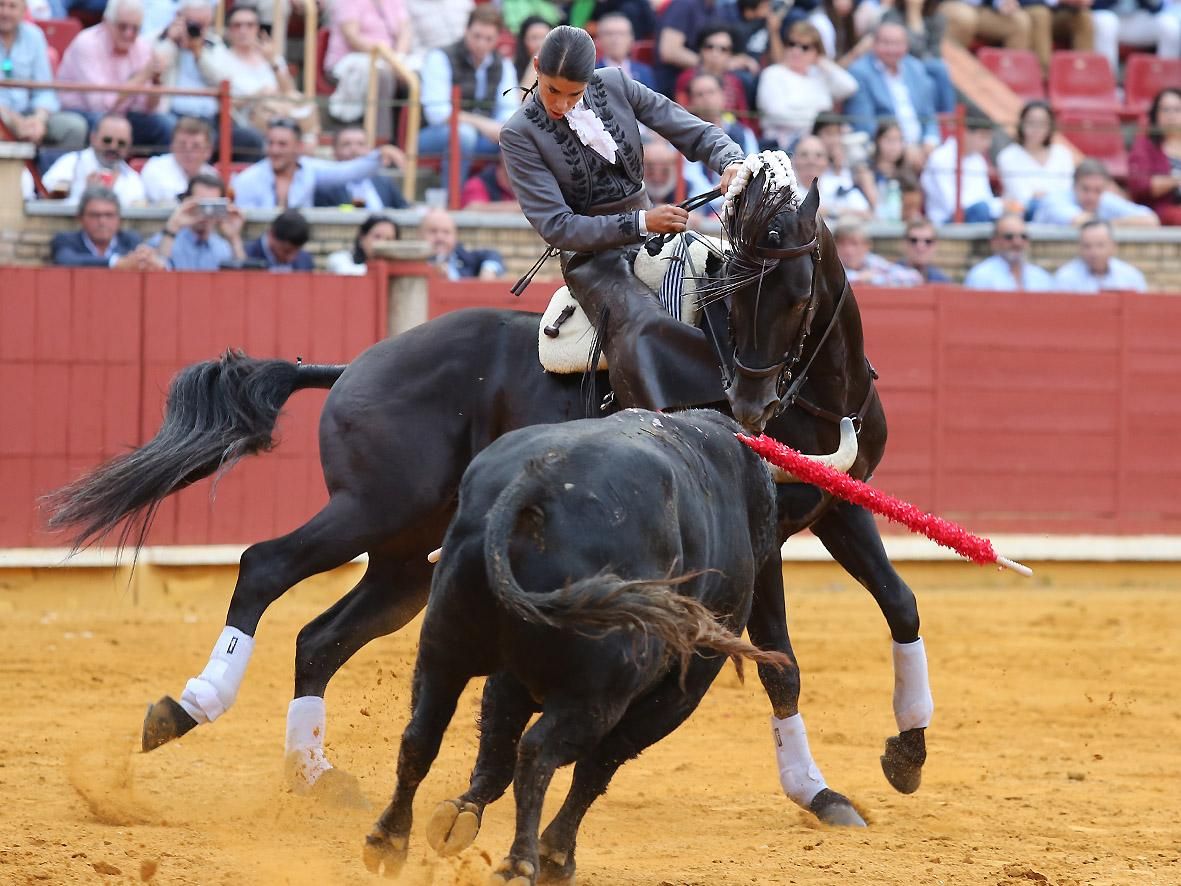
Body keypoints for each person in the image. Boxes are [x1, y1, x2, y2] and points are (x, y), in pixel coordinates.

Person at [499, 26, 747, 411]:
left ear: (592, 76)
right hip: (592, 258)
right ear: (535, 67)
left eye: (573, 93)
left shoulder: (615, 84)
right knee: (645, 329)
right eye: (552, 90)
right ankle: (656, 428)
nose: (561, 104)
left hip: (654, 236)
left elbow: (690, 130)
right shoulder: (519, 133)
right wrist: (641, 223)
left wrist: (730, 159)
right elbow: (558, 227)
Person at [418, 6, 517, 196]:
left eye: (488, 39)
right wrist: (484, 125)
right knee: (464, 134)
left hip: (483, 137)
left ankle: (509, 202)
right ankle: (452, 201)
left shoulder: (503, 65)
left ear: (497, 39)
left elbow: (509, 112)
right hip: (432, 136)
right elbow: (437, 113)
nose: (481, 43)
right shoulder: (440, 57)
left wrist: (498, 128)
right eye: (476, 36)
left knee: (516, 137)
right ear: (466, 31)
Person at [153, 0, 264, 162]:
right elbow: (155, 70)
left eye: (203, 25)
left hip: (210, 121)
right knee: (167, 127)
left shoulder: (214, 45)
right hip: (174, 118)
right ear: (179, 18)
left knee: (251, 139)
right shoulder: (161, 39)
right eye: (193, 24)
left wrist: (199, 52)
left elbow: (224, 82)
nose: (197, 30)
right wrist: (171, 42)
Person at [56, 0, 175, 151]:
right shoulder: (87, 44)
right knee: (108, 125)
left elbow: (148, 109)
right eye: (122, 27)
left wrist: (157, 81)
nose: (128, 34)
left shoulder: (142, 47)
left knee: (166, 124)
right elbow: (99, 105)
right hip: (84, 114)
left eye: (135, 28)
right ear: (106, 22)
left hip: (121, 116)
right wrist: (143, 76)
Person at [202, 4, 317, 142]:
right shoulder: (220, 58)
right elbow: (223, 101)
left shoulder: (271, 56)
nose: (243, 30)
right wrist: (257, 95)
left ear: (257, 28)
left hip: (280, 113)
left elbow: (289, 91)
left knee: (303, 104)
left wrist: (272, 61)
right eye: (237, 25)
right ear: (229, 30)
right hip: (247, 120)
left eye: (250, 25)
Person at [232, 117, 403, 209]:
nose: (275, 150)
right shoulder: (247, 179)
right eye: (271, 143)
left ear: (299, 147)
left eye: (282, 144)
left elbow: (347, 171)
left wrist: (381, 153)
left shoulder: (309, 169)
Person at [844, 20, 941, 163]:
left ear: (906, 45)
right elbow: (864, 124)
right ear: (874, 44)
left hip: (922, 149)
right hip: (884, 150)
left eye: (897, 43)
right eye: (886, 43)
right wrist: (901, 148)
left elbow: (928, 115)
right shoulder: (859, 72)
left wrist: (930, 141)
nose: (891, 49)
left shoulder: (916, 68)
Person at [0, 0, 88, 154]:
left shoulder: (34, 36)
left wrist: (38, 120)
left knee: (74, 127)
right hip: (2, 116)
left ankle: (50, 176)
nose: (5, 12)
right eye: (1, 5)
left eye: (12, 6)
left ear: (23, 11)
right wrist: (12, 120)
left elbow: (45, 90)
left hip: (29, 115)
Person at [757, 20, 858, 152]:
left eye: (805, 47)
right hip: (786, 146)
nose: (796, 51)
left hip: (825, 141)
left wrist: (822, 61)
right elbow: (776, 114)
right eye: (792, 44)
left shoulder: (819, 76)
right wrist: (817, 122)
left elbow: (850, 87)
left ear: (816, 51)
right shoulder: (773, 74)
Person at [323, 0, 412, 140]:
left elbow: (405, 32)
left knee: (414, 76)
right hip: (352, 60)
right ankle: (380, 139)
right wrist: (389, 60)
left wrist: (398, 59)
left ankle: (408, 141)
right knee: (382, 76)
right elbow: (352, 37)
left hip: (391, 60)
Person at [40, 113, 146, 205]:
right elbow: (46, 203)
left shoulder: (132, 178)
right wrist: (88, 195)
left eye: (121, 143)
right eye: (107, 140)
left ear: (129, 146)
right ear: (93, 138)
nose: (113, 147)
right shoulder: (71, 163)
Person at [147, 173, 246, 270]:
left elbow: (244, 280)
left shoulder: (223, 248)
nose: (206, 212)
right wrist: (173, 226)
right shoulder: (164, 240)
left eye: (213, 205)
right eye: (201, 204)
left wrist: (234, 238)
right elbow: (158, 275)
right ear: (187, 203)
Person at [996, 100, 1075, 218]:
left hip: (1060, 211)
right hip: (1025, 214)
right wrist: (1048, 197)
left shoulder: (1063, 154)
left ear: (1050, 126)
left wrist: (1044, 196)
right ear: (1021, 124)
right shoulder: (1008, 156)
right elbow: (1022, 196)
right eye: (1031, 122)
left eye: (1042, 123)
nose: (1036, 128)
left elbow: (1067, 190)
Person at [51, 186, 164, 268]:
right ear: (80, 218)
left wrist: (149, 260)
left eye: (109, 215)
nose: (102, 221)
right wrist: (116, 263)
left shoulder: (131, 240)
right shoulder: (65, 239)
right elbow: (67, 261)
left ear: (119, 219)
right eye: (94, 215)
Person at [920, 117, 1004, 225]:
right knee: (982, 210)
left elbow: (985, 197)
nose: (988, 144)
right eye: (983, 137)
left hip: (979, 214)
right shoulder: (941, 158)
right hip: (944, 222)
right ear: (964, 133)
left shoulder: (978, 159)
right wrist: (997, 205)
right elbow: (952, 206)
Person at [1033, 159, 1160, 227]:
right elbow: (1082, 223)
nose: (1091, 196)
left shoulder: (1105, 199)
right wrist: (1122, 223)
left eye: (1097, 190)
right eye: (1085, 189)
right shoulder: (1055, 200)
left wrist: (1112, 223)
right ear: (1074, 186)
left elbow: (1151, 220)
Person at [654, 0, 738, 97]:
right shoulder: (684, 4)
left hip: (706, 77)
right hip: (674, 83)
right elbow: (669, 51)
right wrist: (710, 65)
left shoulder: (716, 9)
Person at [312, 126, 408, 210]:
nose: (355, 150)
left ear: (370, 149)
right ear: (334, 152)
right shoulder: (326, 185)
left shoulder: (384, 181)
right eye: (346, 144)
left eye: (361, 144)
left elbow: (403, 210)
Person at [1128, 87, 1181, 226]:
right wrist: (1175, 181)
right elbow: (1139, 185)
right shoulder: (1145, 146)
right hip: (1162, 210)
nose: (1171, 115)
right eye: (1165, 110)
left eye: (1177, 109)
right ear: (1155, 115)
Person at [673, 25, 750, 116]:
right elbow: (681, 115)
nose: (715, 53)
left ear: (730, 54)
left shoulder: (735, 81)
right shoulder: (686, 78)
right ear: (700, 49)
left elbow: (744, 117)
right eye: (710, 47)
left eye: (723, 49)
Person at [1052, 219, 1148, 293]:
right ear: (1080, 248)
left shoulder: (1131, 277)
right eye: (1087, 246)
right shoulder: (1066, 277)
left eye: (1100, 245)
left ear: (1113, 246)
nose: (1094, 253)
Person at [963, 212, 1054, 290]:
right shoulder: (981, 277)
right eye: (1009, 237)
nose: (1017, 242)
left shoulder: (1041, 277)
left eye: (1023, 236)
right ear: (994, 242)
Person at [140, 115, 217, 205]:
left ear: (208, 151)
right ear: (172, 146)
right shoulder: (155, 168)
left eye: (196, 146)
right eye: (182, 144)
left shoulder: (212, 175)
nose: (188, 151)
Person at [1092, 0, 1179, 76]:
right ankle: (1107, 82)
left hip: (1135, 18)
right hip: (1106, 15)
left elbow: (1157, 8)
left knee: (1169, 26)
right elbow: (1094, 5)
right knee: (1106, 22)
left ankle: (1166, 82)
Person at [421, 206, 505, 279]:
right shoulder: (415, 262)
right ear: (421, 234)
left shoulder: (464, 258)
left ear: (455, 236)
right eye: (433, 231)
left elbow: (493, 254)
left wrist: (489, 270)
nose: (440, 237)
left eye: (446, 232)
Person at [834, 220, 924, 286]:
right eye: (842, 244)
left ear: (867, 246)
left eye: (854, 244)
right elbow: (834, 282)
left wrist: (873, 278)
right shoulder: (830, 264)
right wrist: (861, 277)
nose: (848, 250)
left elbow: (915, 277)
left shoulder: (872, 261)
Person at [595, 11, 657, 90]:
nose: (615, 40)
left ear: (631, 39)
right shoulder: (590, 73)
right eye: (609, 34)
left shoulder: (645, 72)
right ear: (599, 39)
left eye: (621, 34)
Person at [326, 213, 399, 275]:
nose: (382, 243)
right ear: (362, 238)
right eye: (377, 237)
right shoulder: (340, 259)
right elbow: (344, 271)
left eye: (389, 239)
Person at [243, 208, 315, 271]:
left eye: (297, 251)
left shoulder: (304, 260)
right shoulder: (246, 253)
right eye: (286, 251)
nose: (291, 258)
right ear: (272, 235)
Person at [897, 217, 952, 282]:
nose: (920, 247)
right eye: (914, 240)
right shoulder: (890, 276)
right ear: (904, 243)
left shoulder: (942, 281)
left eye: (928, 241)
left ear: (935, 245)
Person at [514, 15, 552, 93]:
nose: (540, 44)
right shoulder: (511, 68)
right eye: (534, 38)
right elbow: (521, 102)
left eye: (545, 38)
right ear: (523, 41)